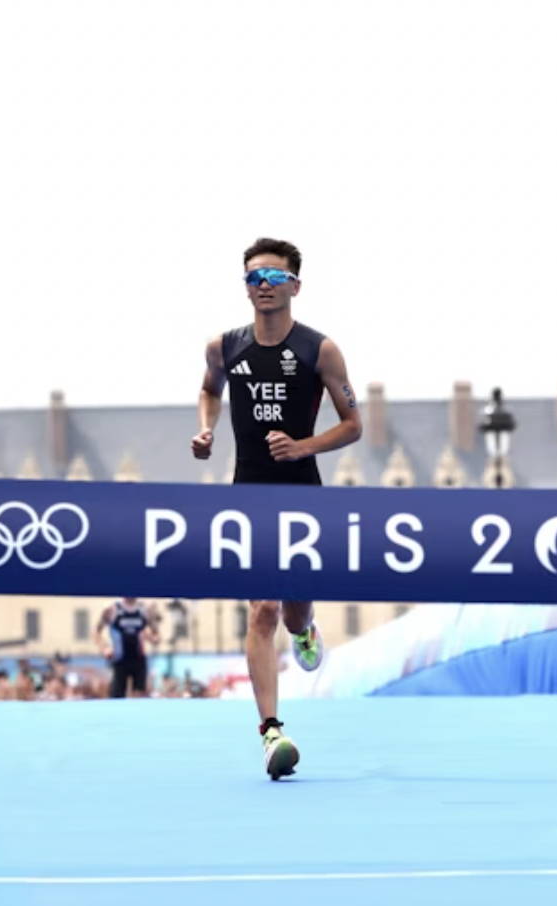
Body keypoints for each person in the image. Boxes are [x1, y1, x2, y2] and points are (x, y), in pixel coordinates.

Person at [191, 237, 362, 779]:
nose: (262, 286)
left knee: (292, 611)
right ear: (245, 287)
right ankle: (271, 732)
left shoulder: (320, 350)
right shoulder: (224, 347)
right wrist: (206, 429)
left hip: (302, 491)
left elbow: (353, 425)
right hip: (249, 492)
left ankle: (305, 629)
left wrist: (302, 446)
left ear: (295, 286)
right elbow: (209, 391)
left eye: (273, 277)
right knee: (262, 609)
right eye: (254, 278)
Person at [95, 597, 159, 698]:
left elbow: (157, 635)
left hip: (138, 659)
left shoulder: (145, 610)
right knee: (117, 695)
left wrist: (151, 638)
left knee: (139, 695)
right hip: (120, 659)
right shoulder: (112, 609)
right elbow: (96, 632)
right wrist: (105, 648)